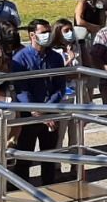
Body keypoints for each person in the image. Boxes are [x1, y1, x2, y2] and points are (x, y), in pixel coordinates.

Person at [11, 19, 67, 186]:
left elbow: (60, 86)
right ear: (32, 35)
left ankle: (49, 187)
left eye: (48, 31)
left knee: (49, 155)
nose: (47, 35)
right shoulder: (20, 59)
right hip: (29, 116)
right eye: (43, 32)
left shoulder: (56, 58)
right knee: (24, 157)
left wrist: (47, 109)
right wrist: (36, 111)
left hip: (50, 112)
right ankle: (22, 191)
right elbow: (21, 89)